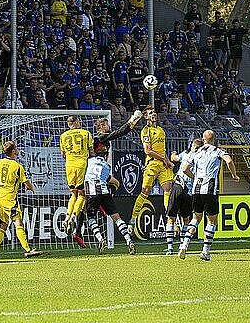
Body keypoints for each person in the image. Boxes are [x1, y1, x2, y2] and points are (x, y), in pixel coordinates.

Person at [70, 109, 144, 248]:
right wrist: (133, 120)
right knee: (84, 201)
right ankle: (77, 231)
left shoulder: (100, 140)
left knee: (112, 185)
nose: (109, 127)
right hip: (90, 172)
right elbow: (119, 133)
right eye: (106, 125)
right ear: (100, 127)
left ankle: (82, 231)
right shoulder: (99, 138)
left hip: (98, 173)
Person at [178, 130, 239, 261]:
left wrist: (194, 178)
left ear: (203, 139)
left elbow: (184, 169)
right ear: (214, 139)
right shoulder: (218, 151)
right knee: (212, 220)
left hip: (196, 190)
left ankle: (184, 244)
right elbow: (229, 161)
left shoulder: (196, 152)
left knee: (195, 218)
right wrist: (234, 175)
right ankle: (205, 251)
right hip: (209, 190)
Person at [0, 141, 43, 259]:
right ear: (13, 151)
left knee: (3, 225)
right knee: (18, 223)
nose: (17, 149)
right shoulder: (18, 167)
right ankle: (27, 250)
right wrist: (32, 189)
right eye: (16, 148)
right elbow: (27, 184)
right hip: (10, 199)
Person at [128, 106, 175, 236]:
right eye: (150, 113)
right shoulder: (145, 131)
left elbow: (163, 151)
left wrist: (167, 161)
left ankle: (170, 219)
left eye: (154, 112)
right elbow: (148, 151)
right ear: (146, 117)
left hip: (163, 165)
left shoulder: (161, 130)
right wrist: (164, 160)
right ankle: (133, 219)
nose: (153, 114)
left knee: (168, 190)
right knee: (145, 191)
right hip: (152, 164)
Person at [84, 144, 136, 255]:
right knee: (117, 218)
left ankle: (100, 239)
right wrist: (116, 185)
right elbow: (108, 179)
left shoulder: (89, 161)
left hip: (92, 194)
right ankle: (128, 240)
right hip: (105, 193)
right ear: (105, 155)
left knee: (91, 218)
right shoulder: (107, 166)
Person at [166, 138, 204, 255]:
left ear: (192, 145)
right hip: (189, 191)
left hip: (178, 186)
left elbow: (174, 159)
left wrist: (173, 153)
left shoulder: (186, 154)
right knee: (186, 218)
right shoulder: (201, 157)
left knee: (171, 217)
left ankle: (170, 248)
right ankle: (183, 245)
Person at [59, 116, 94, 240]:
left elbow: (63, 155)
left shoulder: (63, 136)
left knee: (73, 194)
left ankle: (66, 218)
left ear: (69, 125)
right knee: (82, 195)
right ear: (78, 122)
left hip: (69, 166)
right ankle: (74, 216)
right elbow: (91, 152)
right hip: (81, 165)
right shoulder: (86, 133)